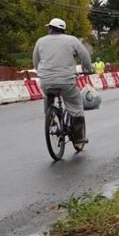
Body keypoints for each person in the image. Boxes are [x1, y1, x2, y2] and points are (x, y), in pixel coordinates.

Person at [33, 17, 94, 150]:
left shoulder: (40, 41)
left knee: (48, 97)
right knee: (76, 107)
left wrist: (43, 73)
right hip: (67, 81)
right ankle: (78, 140)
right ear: (63, 30)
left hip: (46, 80)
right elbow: (85, 56)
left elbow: (36, 62)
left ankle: (51, 118)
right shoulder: (72, 40)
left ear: (50, 29)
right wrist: (88, 69)